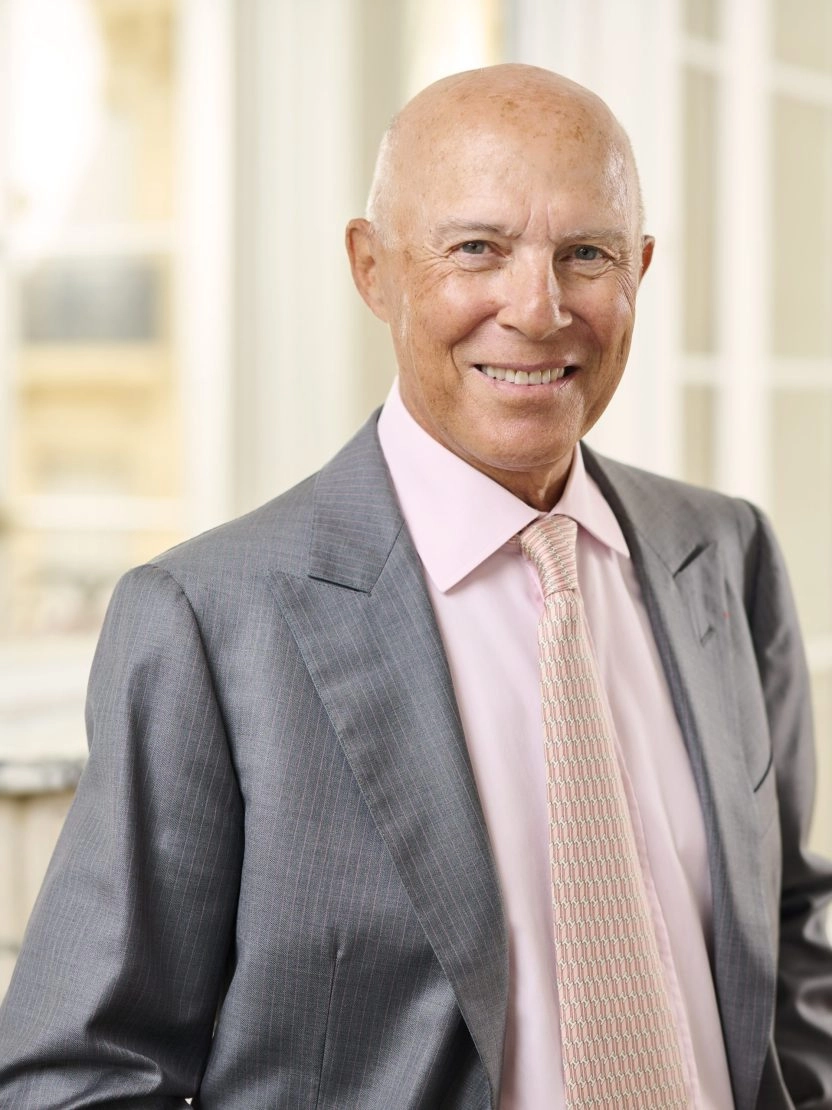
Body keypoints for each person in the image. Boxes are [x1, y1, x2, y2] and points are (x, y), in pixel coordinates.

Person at [0, 63, 830, 1110]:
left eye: (586, 254)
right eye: (476, 248)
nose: (537, 309)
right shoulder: (209, 623)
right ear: (373, 268)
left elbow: (789, 933)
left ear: (640, 271)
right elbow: (76, 1076)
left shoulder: (725, 555)